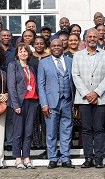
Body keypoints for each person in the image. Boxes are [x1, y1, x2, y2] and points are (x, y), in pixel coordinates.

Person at [72, 28, 105, 169]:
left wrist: (96, 93)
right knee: (86, 129)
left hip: (101, 98)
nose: (92, 39)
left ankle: (99, 158)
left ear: (98, 38)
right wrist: (87, 94)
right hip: (83, 99)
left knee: (99, 128)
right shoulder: (77, 56)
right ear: (85, 39)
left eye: (94, 36)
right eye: (89, 36)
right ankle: (88, 157)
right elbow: (75, 76)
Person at [38, 39, 76, 169]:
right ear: (50, 47)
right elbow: (41, 85)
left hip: (67, 101)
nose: (56, 48)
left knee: (67, 131)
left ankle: (65, 158)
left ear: (63, 47)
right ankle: (53, 158)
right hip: (50, 102)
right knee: (51, 132)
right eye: (53, 46)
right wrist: (44, 104)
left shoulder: (70, 61)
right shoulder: (43, 63)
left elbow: (74, 81)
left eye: (59, 45)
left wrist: (74, 101)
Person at [8, 43, 38, 169]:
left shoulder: (31, 67)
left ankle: (26, 157)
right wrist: (15, 104)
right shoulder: (13, 65)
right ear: (17, 53)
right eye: (21, 51)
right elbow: (11, 87)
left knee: (29, 131)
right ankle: (17, 158)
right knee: (18, 132)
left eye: (25, 51)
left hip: (32, 102)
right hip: (20, 103)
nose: (23, 53)